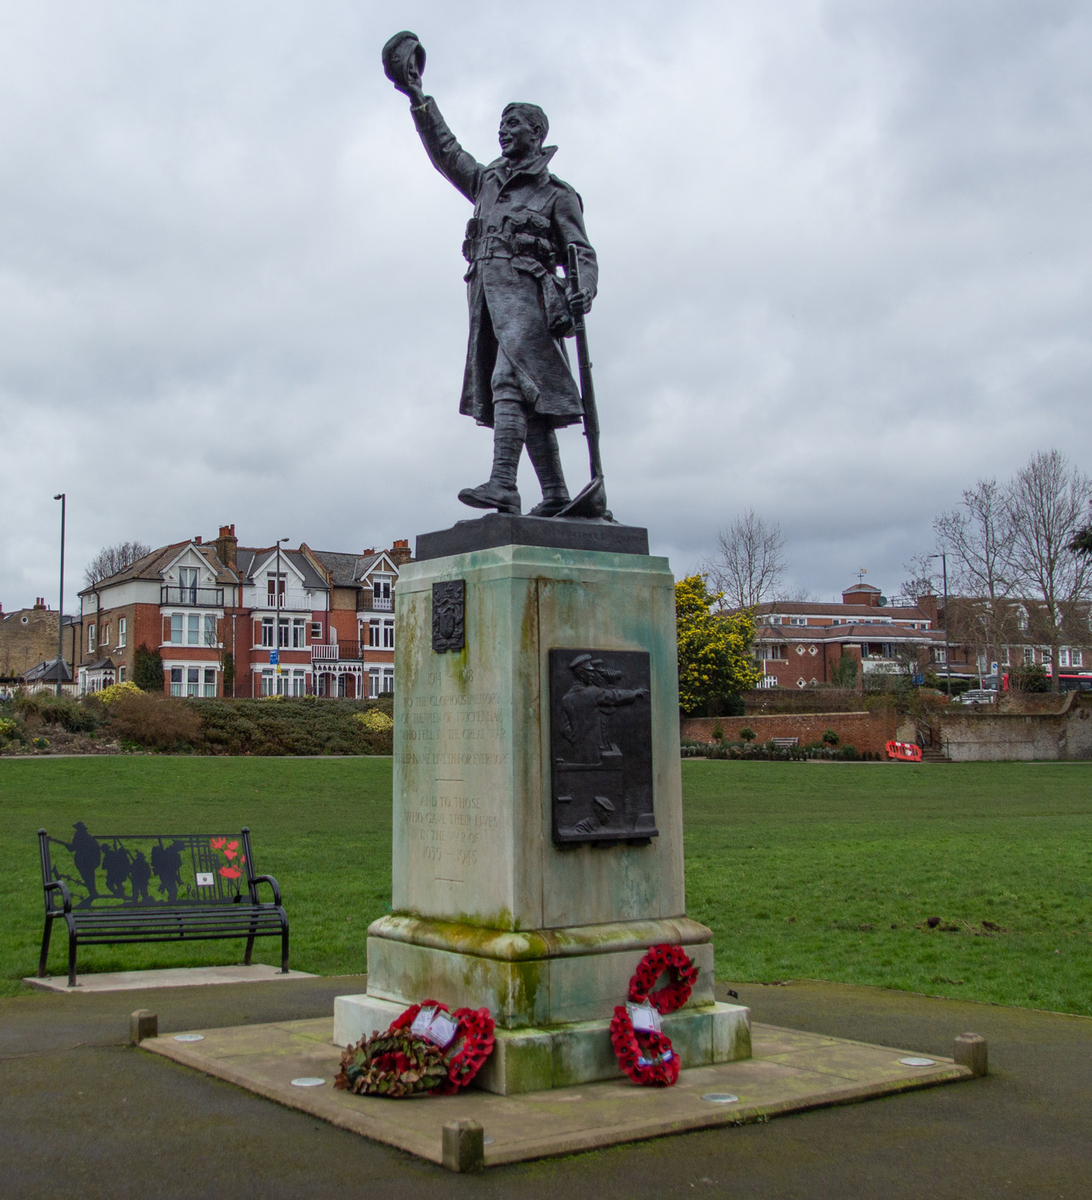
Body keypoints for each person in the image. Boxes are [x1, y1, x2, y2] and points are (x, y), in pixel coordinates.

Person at [390, 48, 597, 516]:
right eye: (500, 124)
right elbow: (447, 153)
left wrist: (583, 285)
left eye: (513, 124)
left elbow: (580, 250)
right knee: (530, 397)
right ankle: (558, 494)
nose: (503, 131)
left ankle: (504, 484)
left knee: (511, 378)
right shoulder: (487, 181)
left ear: (537, 133)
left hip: (530, 301)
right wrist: (417, 96)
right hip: (488, 302)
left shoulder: (556, 194)